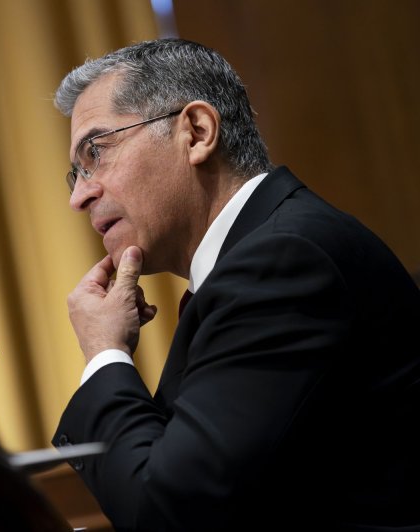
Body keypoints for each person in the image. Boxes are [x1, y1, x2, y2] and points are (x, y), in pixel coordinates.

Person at [52, 38, 420, 532]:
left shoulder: (284, 261)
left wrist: (104, 352)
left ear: (197, 133)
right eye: (76, 171)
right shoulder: (263, 258)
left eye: (96, 152)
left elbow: (167, 513)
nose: (79, 195)